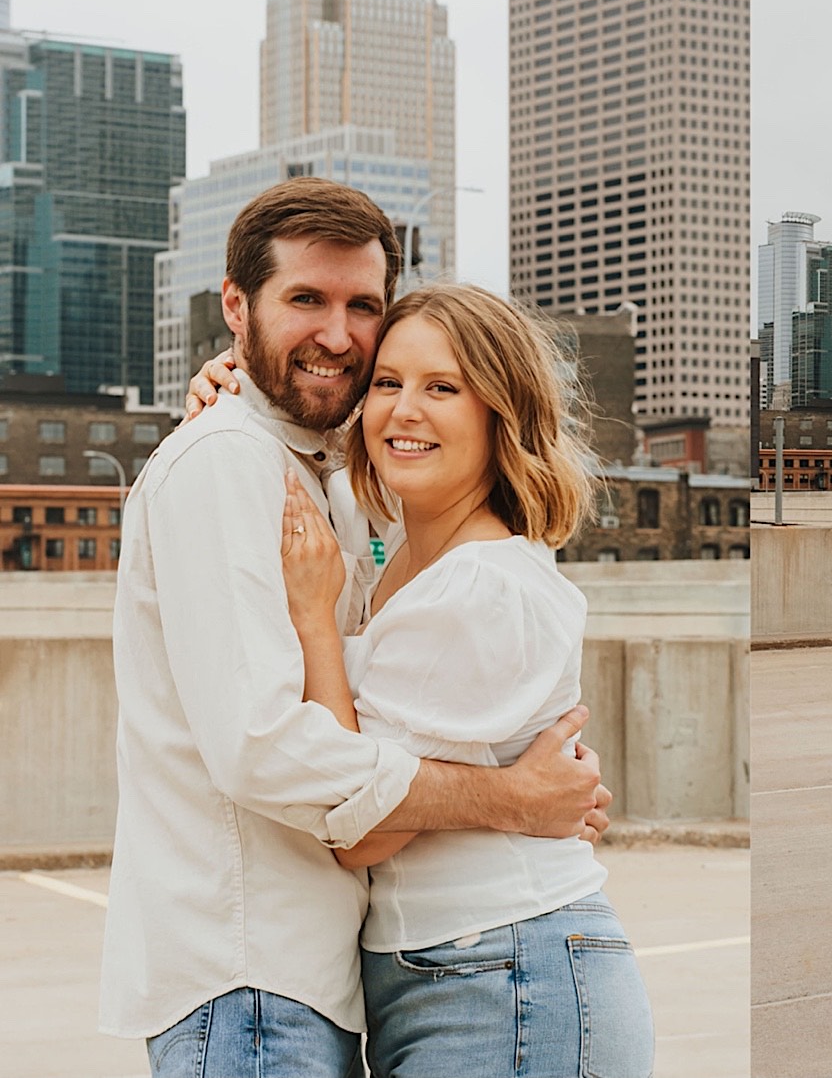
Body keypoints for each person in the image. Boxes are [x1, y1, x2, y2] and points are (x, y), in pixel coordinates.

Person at [102, 179, 609, 1078]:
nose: (337, 334)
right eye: (305, 299)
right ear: (235, 305)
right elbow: (262, 744)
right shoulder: (228, 463)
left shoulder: (331, 476)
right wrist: (508, 797)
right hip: (250, 977)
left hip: (322, 975)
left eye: (361, 306)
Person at [276, 283, 654, 1077]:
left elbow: (365, 831)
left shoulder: (477, 585)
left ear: (499, 414)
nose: (405, 410)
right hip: (452, 971)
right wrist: (220, 380)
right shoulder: (403, 557)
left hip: (507, 973)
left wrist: (315, 619)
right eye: (389, 383)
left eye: (442, 387)